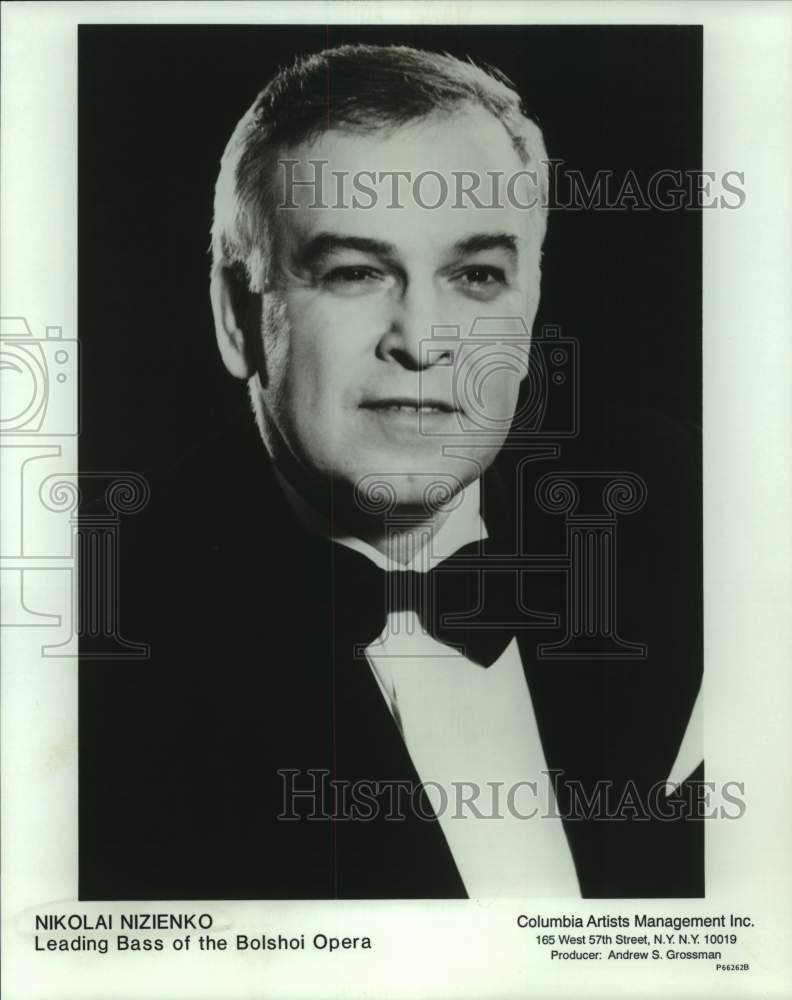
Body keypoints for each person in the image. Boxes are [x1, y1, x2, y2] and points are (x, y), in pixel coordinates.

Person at [79, 44, 703, 900]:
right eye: (356, 273)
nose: (421, 340)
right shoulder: (95, 671)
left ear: (530, 300)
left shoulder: (704, 518)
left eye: (477, 276)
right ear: (236, 316)